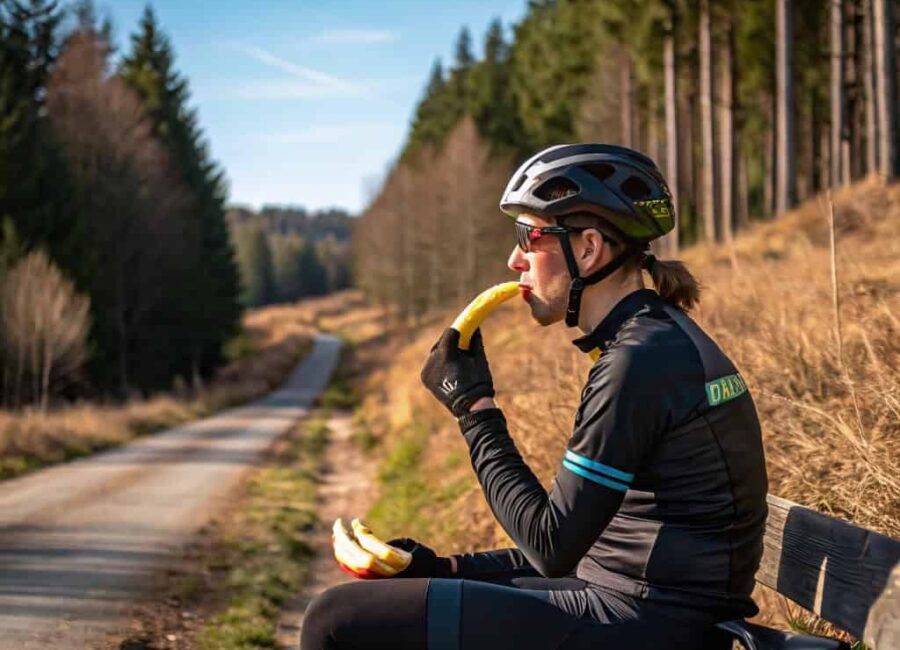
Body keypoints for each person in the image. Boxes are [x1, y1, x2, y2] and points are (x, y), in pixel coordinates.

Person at [300, 144, 768, 650]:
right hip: (635, 602)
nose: (514, 259)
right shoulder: (656, 341)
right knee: (385, 598)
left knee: (334, 618)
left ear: (589, 249)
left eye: (530, 237)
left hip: (648, 622)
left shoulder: (638, 362)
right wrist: (443, 567)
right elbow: (580, 547)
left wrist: (474, 409)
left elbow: (551, 546)